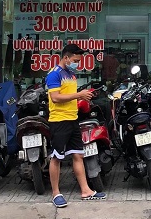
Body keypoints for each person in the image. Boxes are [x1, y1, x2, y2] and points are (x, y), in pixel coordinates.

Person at [45, 44, 106, 208]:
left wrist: (83, 97)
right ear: (66, 57)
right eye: (75, 60)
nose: (77, 64)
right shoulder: (54, 74)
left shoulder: (71, 75)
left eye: (78, 61)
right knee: (57, 157)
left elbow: (69, 95)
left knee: (78, 155)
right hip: (59, 121)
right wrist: (79, 94)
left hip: (73, 119)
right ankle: (56, 193)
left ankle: (86, 191)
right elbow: (56, 97)